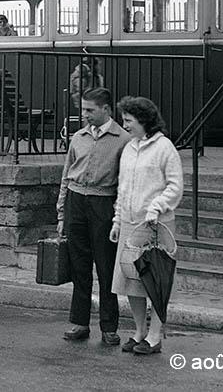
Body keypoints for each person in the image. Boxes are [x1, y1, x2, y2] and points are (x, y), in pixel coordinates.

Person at [111, 95, 183, 356]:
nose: (125, 125)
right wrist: (117, 220)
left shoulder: (165, 148)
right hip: (131, 225)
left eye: (128, 120)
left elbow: (176, 187)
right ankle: (139, 331)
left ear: (144, 120)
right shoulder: (129, 148)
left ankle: (155, 336)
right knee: (131, 281)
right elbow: (122, 188)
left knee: (155, 282)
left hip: (156, 226)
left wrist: (156, 207)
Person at [56, 87, 129, 345]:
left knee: (106, 267)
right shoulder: (79, 136)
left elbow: (124, 183)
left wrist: (119, 218)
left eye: (90, 110)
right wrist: (62, 213)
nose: (84, 114)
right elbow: (66, 175)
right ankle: (79, 322)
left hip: (103, 203)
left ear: (106, 109)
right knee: (79, 265)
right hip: (77, 201)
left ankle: (109, 327)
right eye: (83, 109)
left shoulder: (123, 139)